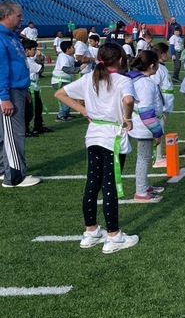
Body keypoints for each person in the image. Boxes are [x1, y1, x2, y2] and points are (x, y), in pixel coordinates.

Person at [54, 42, 139, 253]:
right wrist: (127, 117)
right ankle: (114, 235)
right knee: (110, 185)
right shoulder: (121, 80)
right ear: (120, 60)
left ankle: (90, 231)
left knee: (92, 184)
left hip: (93, 137)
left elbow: (60, 94)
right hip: (113, 138)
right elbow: (128, 100)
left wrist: (84, 110)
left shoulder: (89, 78)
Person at [0, 1, 40, 188]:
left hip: (17, 89)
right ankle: (15, 177)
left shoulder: (12, 36)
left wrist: (24, 90)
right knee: (13, 134)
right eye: (18, 15)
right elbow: (1, 70)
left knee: (5, 134)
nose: (21, 17)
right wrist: (4, 97)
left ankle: (3, 170)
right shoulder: (2, 38)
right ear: (6, 16)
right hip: (9, 91)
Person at [127, 51, 165, 202]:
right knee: (143, 158)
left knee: (144, 157)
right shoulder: (146, 83)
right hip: (144, 126)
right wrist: (157, 132)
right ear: (151, 65)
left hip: (140, 124)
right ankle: (141, 192)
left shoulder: (135, 79)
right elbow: (146, 111)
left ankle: (144, 185)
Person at [150, 42, 174, 168]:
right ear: (163, 54)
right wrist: (161, 104)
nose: (170, 55)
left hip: (165, 103)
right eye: (168, 52)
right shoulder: (158, 68)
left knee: (161, 129)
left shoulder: (161, 67)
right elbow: (155, 87)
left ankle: (159, 154)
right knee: (159, 130)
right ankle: (157, 158)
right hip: (162, 105)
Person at [22, 39, 51, 137]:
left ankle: (38, 126)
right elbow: (40, 69)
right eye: (34, 49)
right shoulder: (27, 60)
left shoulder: (29, 59)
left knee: (38, 108)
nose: (35, 51)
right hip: (31, 88)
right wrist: (41, 58)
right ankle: (26, 129)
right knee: (30, 110)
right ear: (27, 50)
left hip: (34, 86)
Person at [51, 40, 81, 121]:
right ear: (68, 49)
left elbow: (74, 63)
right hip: (60, 80)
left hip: (64, 80)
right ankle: (61, 115)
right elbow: (65, 69)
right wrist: (78, 69)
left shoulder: (68, 56)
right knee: (68, 97)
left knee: (70, 96)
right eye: (72, 47)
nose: (74, 48)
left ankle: (65, 113)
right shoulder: (63, 57)